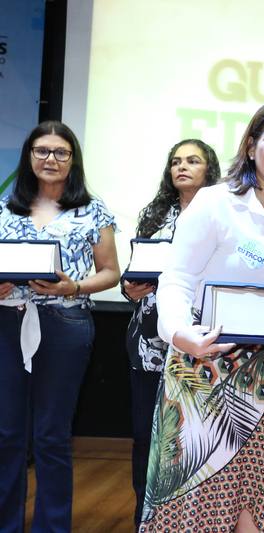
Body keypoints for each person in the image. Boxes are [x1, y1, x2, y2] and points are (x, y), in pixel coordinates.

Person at [139, 99, 264, 532]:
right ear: (252, 146)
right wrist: (180, 333)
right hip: (207, 362)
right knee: (197, 499)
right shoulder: (215, 201)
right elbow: (177, 278)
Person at [0, 121, 121, 532]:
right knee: (6, 433)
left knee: (51, 435)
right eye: (42, 151)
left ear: (73, 160)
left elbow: (110, 272)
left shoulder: (92, 209)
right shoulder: (4, 206)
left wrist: (75, 286)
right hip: (7, 322)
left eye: (60, 152)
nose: (50, 159)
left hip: (65, 323)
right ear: (29, 156)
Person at [122, 139, 220, 527]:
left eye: (192, 161)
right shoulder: (154, 215)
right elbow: (134, 270)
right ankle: (144, 520)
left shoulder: (222, 212)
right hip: (149, 343)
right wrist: (129, 289)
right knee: (145, 438)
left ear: (209, 169)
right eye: (176, 161)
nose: (182, 167)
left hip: (199, 342)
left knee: (192, 439)